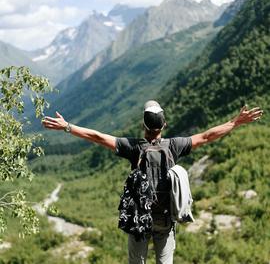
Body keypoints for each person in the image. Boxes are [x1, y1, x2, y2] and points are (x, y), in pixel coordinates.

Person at [42, 101, 263, 264]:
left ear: (143, 125)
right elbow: (207, 136)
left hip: (140, 220)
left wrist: (67, 126)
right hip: (166, 221)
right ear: (164, 125)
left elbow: (98, 137)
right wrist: (236, 121)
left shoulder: (133, 147)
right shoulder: (174, 146)